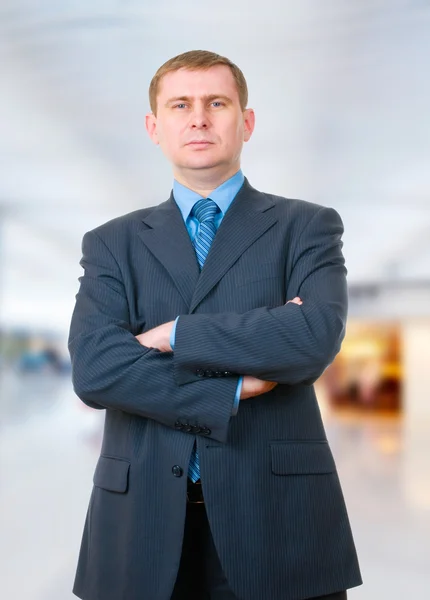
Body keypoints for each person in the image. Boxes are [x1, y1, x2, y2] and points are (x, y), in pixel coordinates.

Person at [68, 50, 362, 600]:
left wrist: (174, 335)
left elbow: (313, 337)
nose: (198, 118)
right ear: (155, 127)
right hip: (142, 523)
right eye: (180, 104)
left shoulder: (307, 227)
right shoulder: (112, 243)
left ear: (245, 122)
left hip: (277, 519)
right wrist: (229, 389)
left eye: (216, 103)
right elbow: (97, 370)